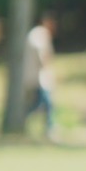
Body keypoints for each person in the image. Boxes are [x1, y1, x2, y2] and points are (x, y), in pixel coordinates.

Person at [23, 10, 56, 138]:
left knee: (38, 103)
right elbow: (41, 53)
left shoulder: (35, 33)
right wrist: (45, 63)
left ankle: (45, 127)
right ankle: (49, 128)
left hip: (35, 77)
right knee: (45, 103)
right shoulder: (40, 33)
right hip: (39, 78)